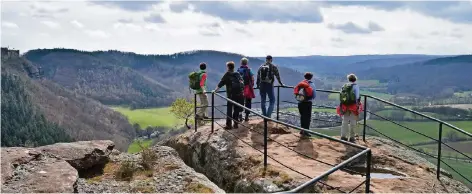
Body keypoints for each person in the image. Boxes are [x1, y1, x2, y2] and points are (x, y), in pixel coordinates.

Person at [213, 61, 244, 129]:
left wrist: (215, 91)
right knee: (236, 109)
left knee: (229, 109)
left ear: (228, 67)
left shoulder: (227, 74)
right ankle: (236, 124)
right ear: (233, 67)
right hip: (239, 94)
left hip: (231, 95)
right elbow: (242, 83)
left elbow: (221, 83)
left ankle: (228, 125)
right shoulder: (237, 74)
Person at [336, 73, 361, 143]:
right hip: (353, 106)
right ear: (355, 79)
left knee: (345, 121)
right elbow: (357, 97)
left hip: (345, 106)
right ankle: (352, 138)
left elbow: (341, 96)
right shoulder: (356, 86)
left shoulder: (344, 85)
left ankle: (343, 136)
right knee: (353, 122)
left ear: (348, 79)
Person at [294, 72, 316, 137]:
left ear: (305, 77)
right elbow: (314, 95)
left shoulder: (300, 84)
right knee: (307, 117)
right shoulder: (312, 84)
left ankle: (302, 130)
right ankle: (306, 132)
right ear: (311, 77)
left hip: (300, 102)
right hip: (308, 102)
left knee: (302, 116)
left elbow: (296, 91)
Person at [237, 57, 255, 122]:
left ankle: (240, 115)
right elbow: (252, 78)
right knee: (248, 102)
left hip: (240, 89)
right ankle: (247, 116)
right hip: (248, 88)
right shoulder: (249, 70)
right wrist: (252, 85)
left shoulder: (238, 70)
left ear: (241, 63)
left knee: (240, 102)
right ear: (247, 63)